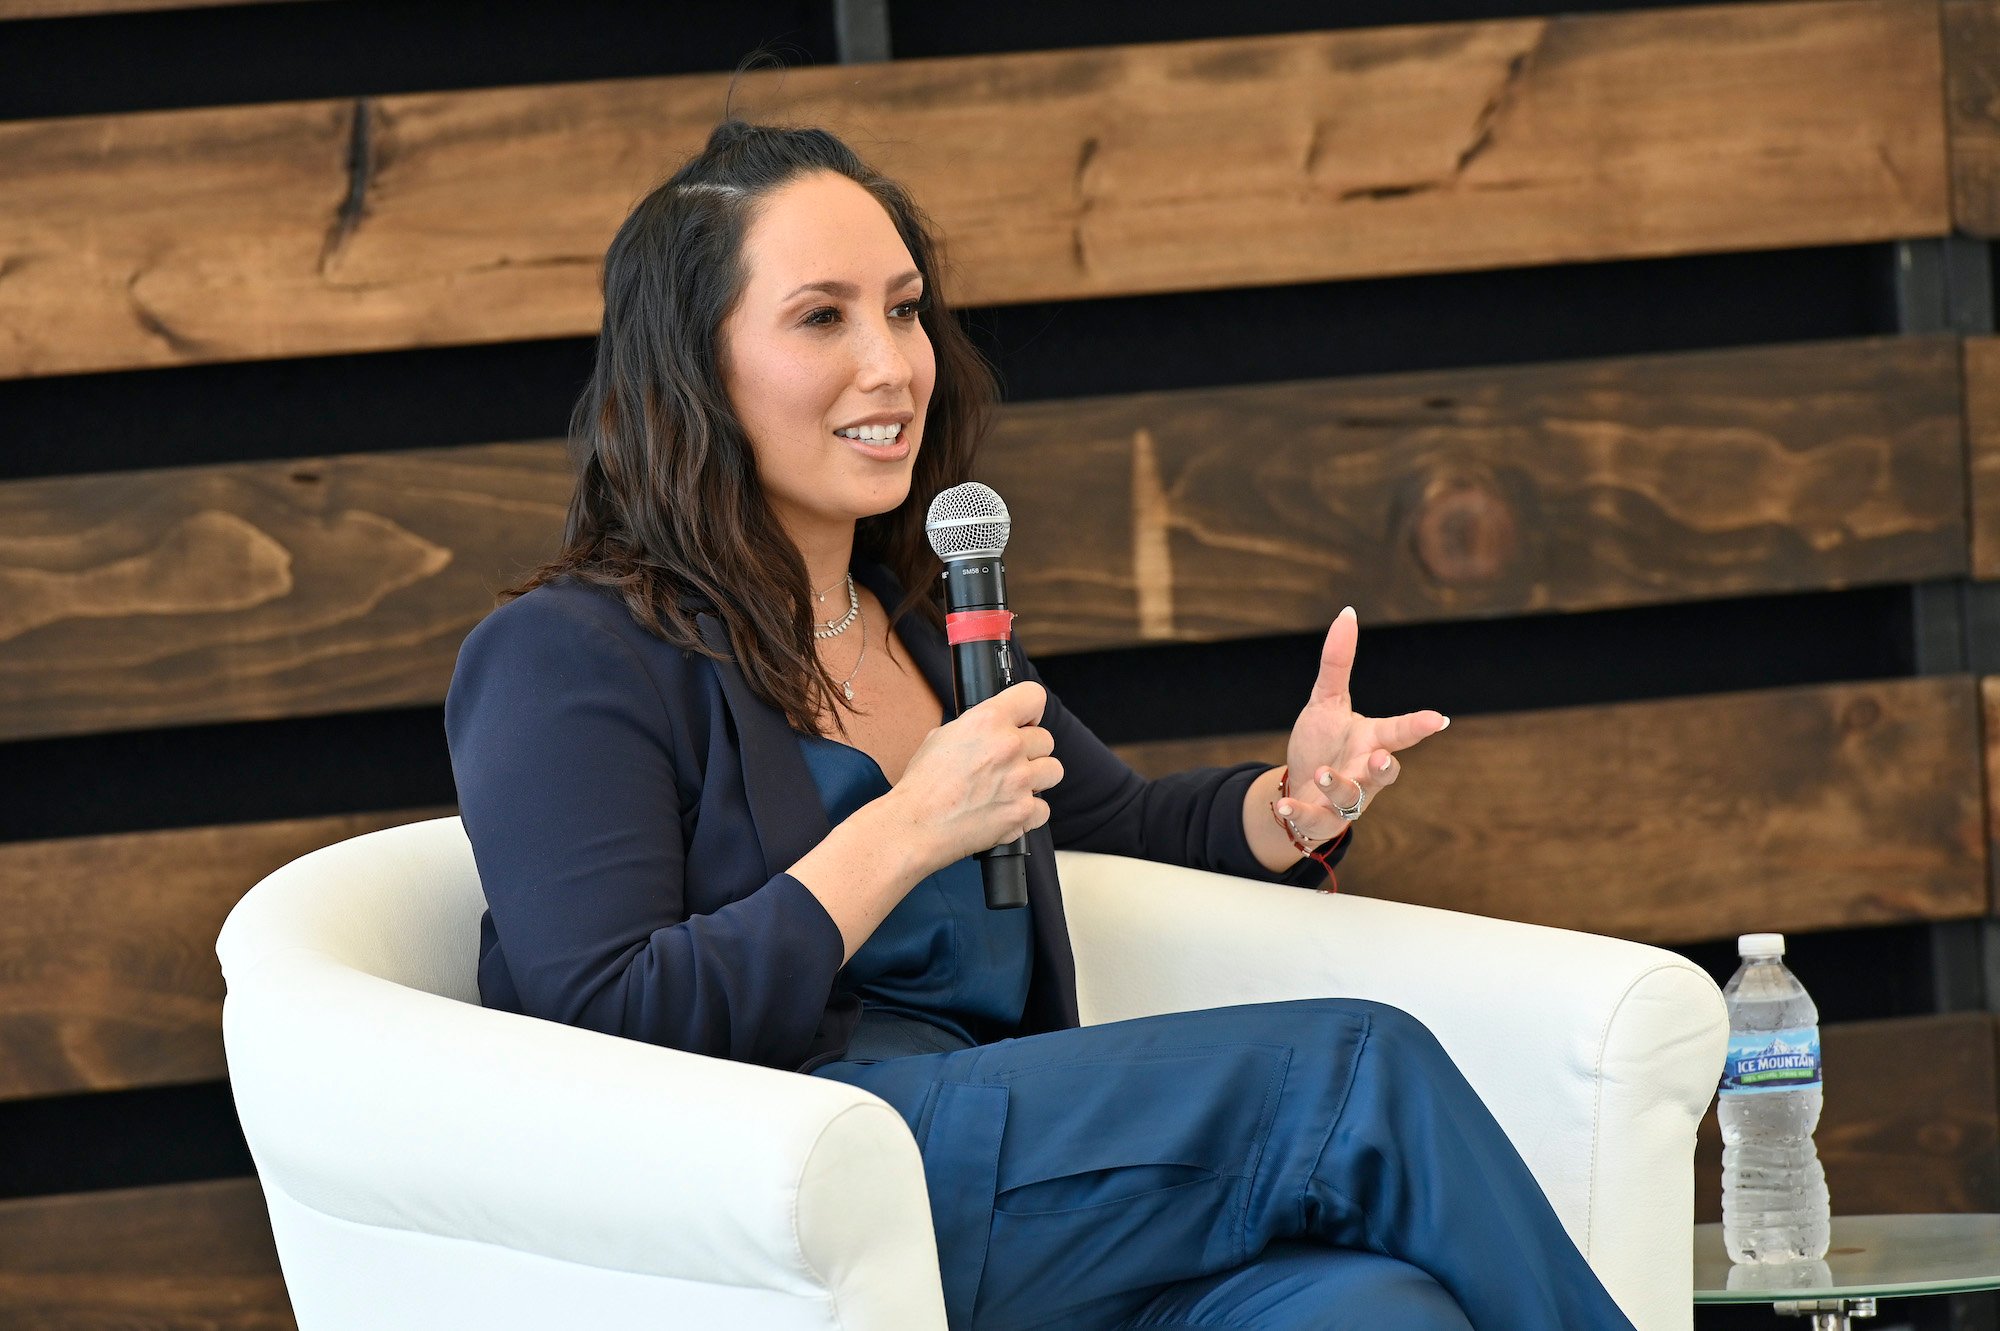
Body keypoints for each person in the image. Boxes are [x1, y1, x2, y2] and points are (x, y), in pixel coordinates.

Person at [444, 115, 1640, 1331]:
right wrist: (904, 828)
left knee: (1373, 1307)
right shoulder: (565, 653)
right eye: (821, 317)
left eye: (903, 310)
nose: (890, 364)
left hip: (1025, 1183)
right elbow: (603, 1017)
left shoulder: (929, 630)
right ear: (692, 370)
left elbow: (1122, 823)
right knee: (1357, 1069)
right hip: (810, 1193)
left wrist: (1290, 804)